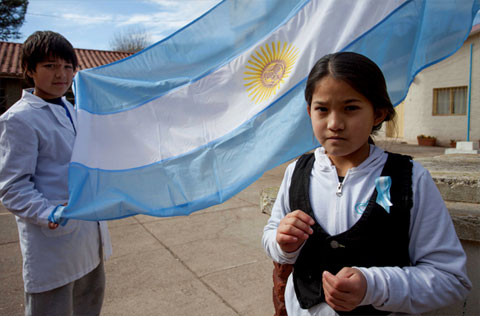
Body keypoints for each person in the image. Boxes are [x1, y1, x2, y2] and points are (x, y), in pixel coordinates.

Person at [262, 52, 471, 315]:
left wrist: (373, 286)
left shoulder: (410, 179)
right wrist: (282, 243)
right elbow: (271, 234)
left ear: (378, 113)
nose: (335, 124)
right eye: (322, 109)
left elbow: (451, 279)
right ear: (309, 111)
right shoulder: (296, 173)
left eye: (350, 108)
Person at [0, 31, 112, 316]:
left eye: (67, 67)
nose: (61, 74)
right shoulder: (19, 119)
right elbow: (12, 187)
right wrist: (47, 213)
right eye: (50, 66)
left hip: (88, 235)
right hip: (53, 240)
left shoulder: (73, 111)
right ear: (29, 70)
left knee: (88, 305)